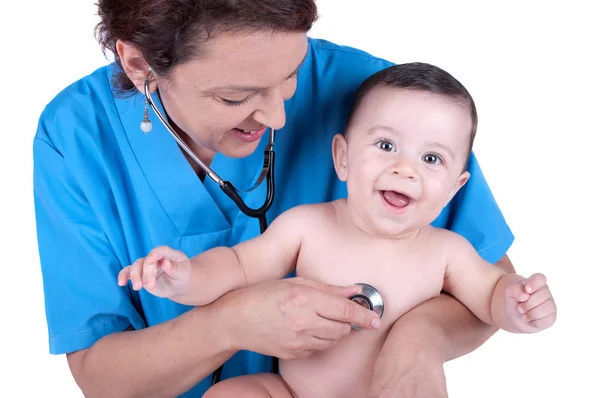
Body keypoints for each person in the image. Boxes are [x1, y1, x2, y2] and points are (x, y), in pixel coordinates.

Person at [33, 1, 516, 397]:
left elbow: (493, 287)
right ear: (139, 64)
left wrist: (417, 341)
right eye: (234, 97)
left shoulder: (383, 104)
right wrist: (230, 324)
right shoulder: (76, 136)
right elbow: (101, 375)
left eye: (292, 74)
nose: (279, 117)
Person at [119, 62, 557, 397]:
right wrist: (185, 277)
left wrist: (518, 305)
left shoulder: (448, 252)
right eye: (386, 146)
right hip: (291, 391)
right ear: (343, 158)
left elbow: (490, 297)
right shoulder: (309, 225)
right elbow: (238, 265)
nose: (405, 169)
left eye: (432, 159)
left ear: (454, 191)